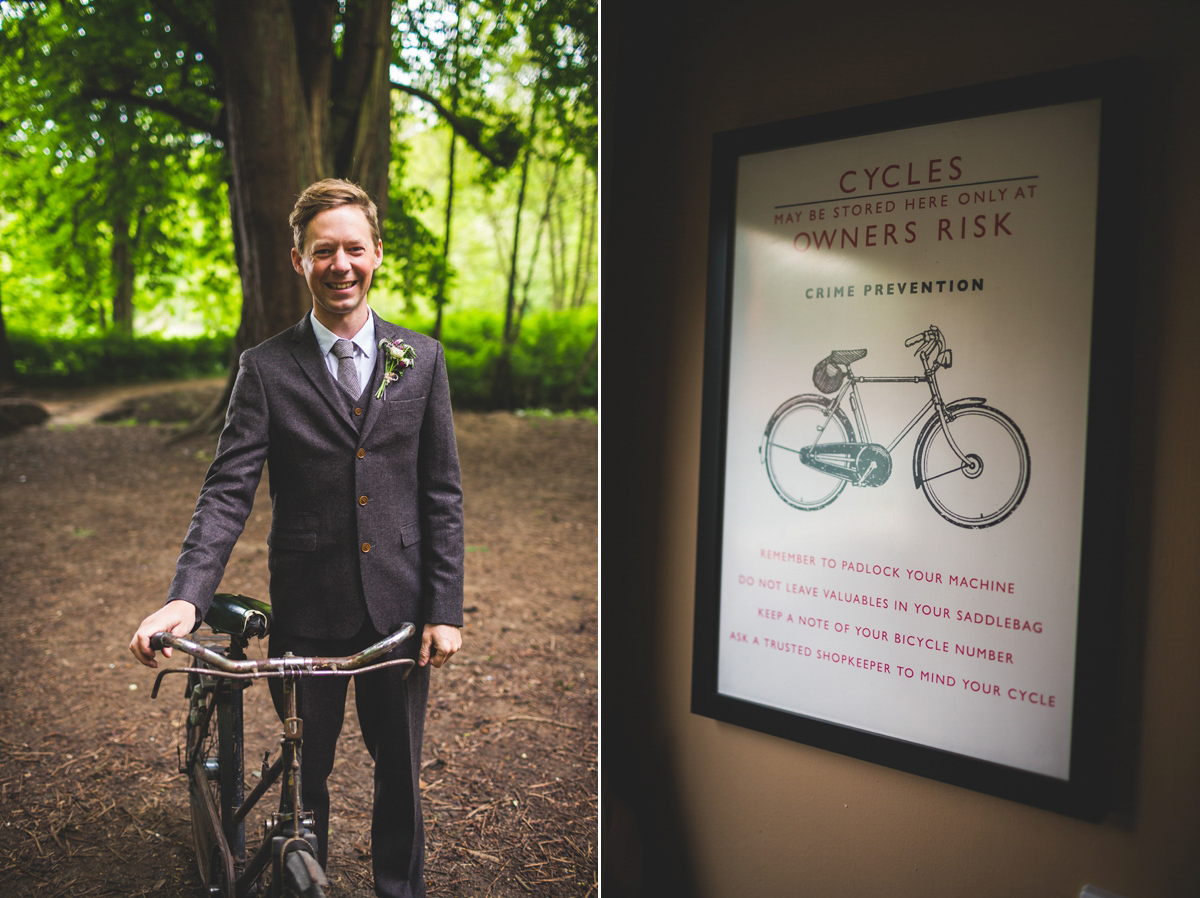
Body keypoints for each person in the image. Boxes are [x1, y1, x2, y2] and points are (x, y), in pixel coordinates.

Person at [130, 178, 464, 898]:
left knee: (400, 774)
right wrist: (186, 600)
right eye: (323, 252)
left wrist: (445, 609)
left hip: (400, 615)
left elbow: (442, 494)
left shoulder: (423, 359)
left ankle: (397, 889)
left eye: (353, 248)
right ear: (298, 261)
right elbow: (227, 493)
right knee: (300, 776)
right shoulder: (266, 369)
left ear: (376, 253)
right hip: (307, 613)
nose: (339, 264)